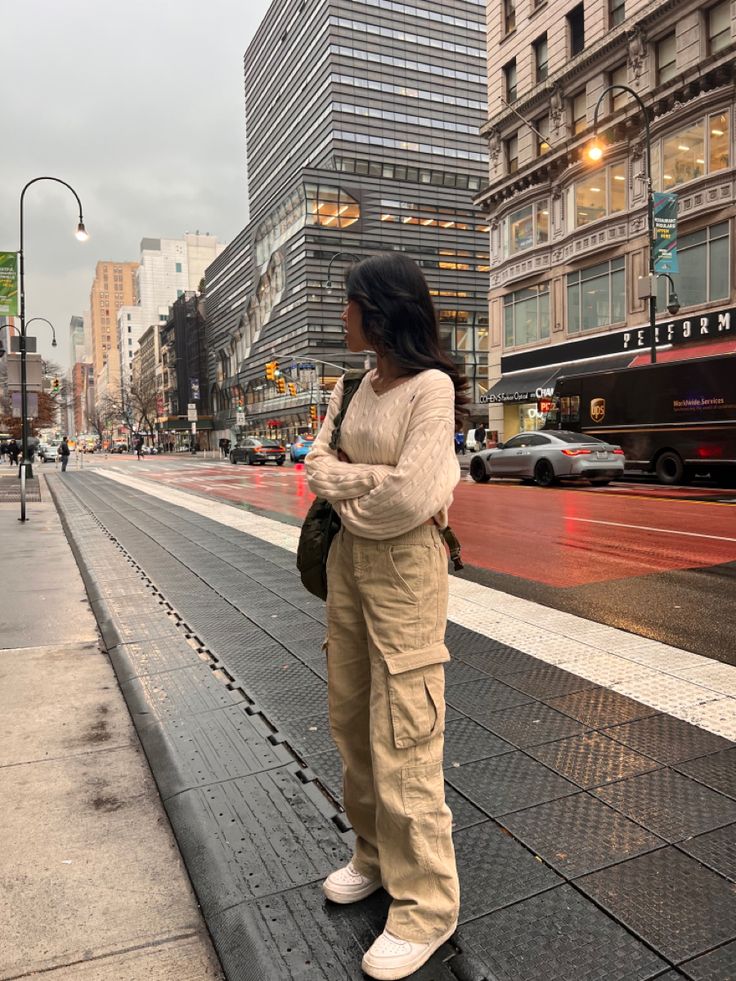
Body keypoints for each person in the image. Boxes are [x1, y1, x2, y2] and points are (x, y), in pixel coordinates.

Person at [306, 253, 466, 980]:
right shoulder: (351, 385)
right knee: (353, 719)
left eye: (350, 303)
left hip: (406, 572)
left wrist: (354, 483)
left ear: (381, 309)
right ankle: (372, 855)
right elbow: (315, 463)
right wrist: (368, 482)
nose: (342, 315)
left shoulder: (432, 389)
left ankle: (428, 904)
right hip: (349, 564)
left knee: (406, 729)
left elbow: (412, 498)